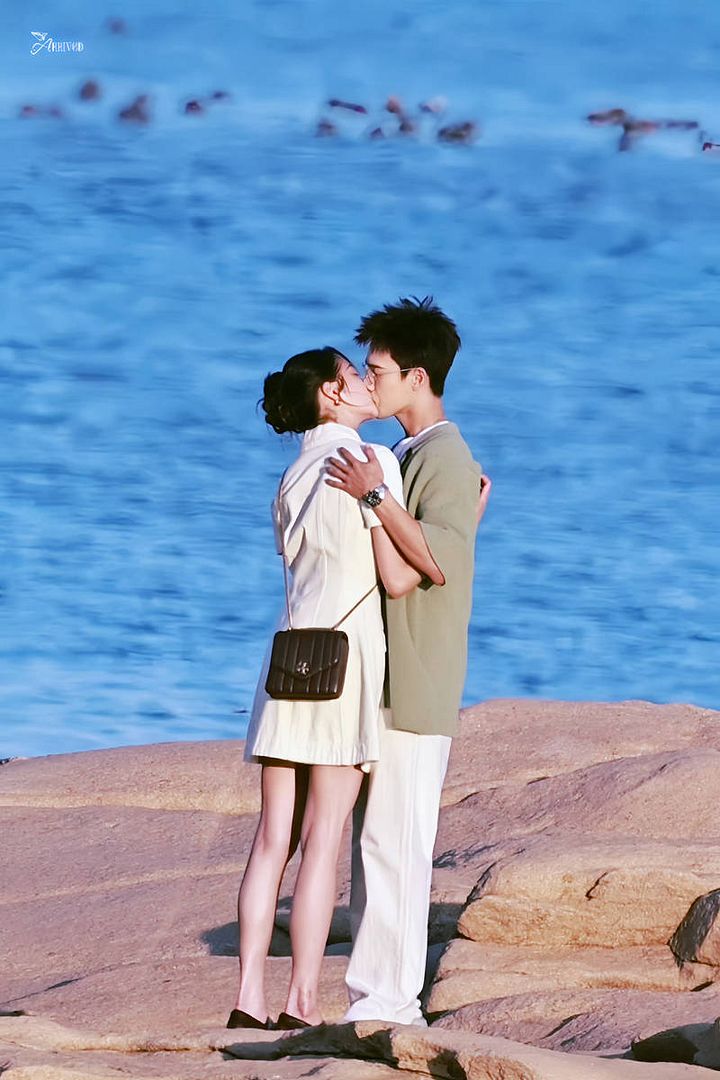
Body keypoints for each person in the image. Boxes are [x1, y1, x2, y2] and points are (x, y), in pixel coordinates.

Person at [229, 346, 441, 1031]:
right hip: (344, 667)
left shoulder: (291, 475)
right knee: (323, 840)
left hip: (286, 662)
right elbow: (398, 578)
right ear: (330, 393)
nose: (364, 384)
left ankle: (246, 1000)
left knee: (272, 840)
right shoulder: (372, 461)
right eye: (353, 375)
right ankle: (300, 1003)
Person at [325, 297, 491, 1025]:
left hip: (417, 679)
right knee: (379, 843)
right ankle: (378, 1000)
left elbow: (434, 564)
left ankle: (391, 1005)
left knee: (396, 843)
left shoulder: (444, 456)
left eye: (379, 371)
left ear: (417, 377)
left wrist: (374, 498)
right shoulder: (414, 454)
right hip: (396, 677)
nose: (370, 382)